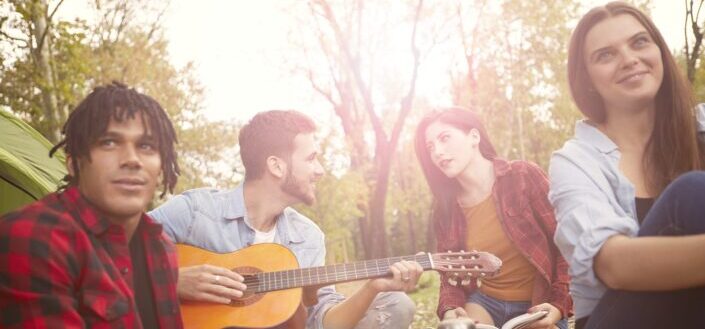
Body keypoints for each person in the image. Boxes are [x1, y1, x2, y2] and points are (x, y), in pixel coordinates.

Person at [149, 110, 421, 329]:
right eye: (311, 159)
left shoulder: (308, 237)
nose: (320, 170)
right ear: (276, 166)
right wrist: (171, 281)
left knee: (396, 304)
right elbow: (114, 252)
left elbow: (323, 323)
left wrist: (373, 287)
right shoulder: (195, 211)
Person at [549, 2, 705, 328]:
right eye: (605, 55)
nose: (629, 59)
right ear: (587, 78)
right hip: (621, 317)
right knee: (690, 192)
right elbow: (613, 265)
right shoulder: (575, 161)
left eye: (639, 42)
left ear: (659, 51)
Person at [0, 82, 183, 328]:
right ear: (74, 163)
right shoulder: (32, 237)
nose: (132, 159)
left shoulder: (162, 247)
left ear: (162, 166)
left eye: (146, 146)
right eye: (109, 142)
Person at [414, 107, 571, 329]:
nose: (437, 152)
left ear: (474, 137)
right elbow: (450, 278)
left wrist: (558, 304)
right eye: (430, 147)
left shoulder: (523, 176)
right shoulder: (446, 210)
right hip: (484, 303)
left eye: (444, 138)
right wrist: (450, 311)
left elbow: (567, 245)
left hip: (538, 306)